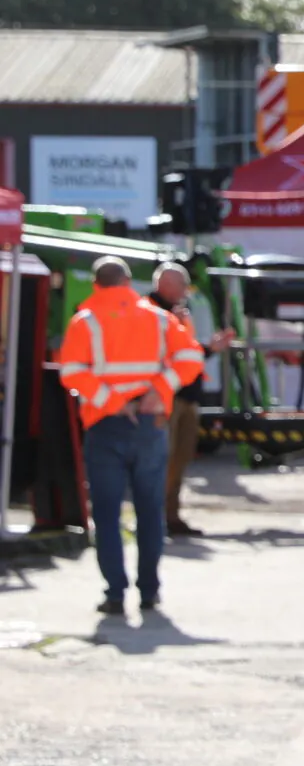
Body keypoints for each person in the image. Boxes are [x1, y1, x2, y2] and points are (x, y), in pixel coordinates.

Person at [59, 257, 202, 617]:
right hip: (151, 423)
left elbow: (72, 372)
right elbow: (191, 357)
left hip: (106, 425)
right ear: (127, 281)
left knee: (107, 515)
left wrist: (111, 401)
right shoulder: (158, 318)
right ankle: (150, 591)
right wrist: (159, 389)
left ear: (96, 283)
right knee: (150, 511)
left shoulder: (85, 321)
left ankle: (115, 593)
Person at [149, 261, 233, 539]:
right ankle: (154, 517)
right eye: (182, 285)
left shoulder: (179, 314)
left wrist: (211, 348)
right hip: (165, 399)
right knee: (162, 459)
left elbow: (187, 353)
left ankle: (171, 516)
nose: (187, 290)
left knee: (180, 459)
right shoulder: (151, 313)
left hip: (187, 397)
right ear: (166, 285)